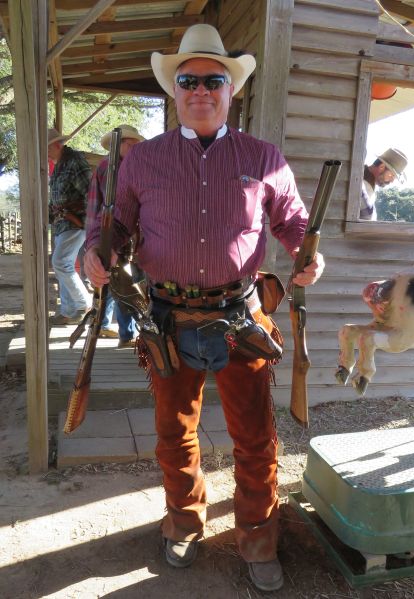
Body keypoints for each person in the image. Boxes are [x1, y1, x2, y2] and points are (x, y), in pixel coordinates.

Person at [84, 24, 324, 592]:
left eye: (212, 80)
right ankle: (185, 522)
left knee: (255, 438)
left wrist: (309, 256)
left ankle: (258, 536)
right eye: (188, 80)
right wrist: (95, 255)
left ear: (230, 89)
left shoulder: (263, 157)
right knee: (174, 434)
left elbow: (294, 222)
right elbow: (113, 227)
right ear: (174, 89)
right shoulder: (142, 161)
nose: (200, 90)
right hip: (166, 320)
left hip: (241, 317)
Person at [86, 124, 145, 347]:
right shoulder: (108, 168)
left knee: (118, 281)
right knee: (122, 283)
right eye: (131, 144)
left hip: (123, 236)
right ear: (120, 144)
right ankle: (126, 334)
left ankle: (114, 328)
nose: (135, 148)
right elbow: (103, 208)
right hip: (112, 235)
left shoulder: (126, 167)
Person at [48, 128, 92, 325]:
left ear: (57, 145)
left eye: (47, 148)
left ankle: (84, 304)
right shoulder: (59, 165)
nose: (46, 153)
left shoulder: (75, 161)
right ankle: (68, 311)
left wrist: (87, 221)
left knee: (61, 262)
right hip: (62, 223)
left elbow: (91, 194)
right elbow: (56, 197)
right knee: (62, 266)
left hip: (75, 222)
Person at [360, 147, 408, 220]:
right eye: (391, 175)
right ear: (381, 167)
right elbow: (368, 219)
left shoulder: (366, 182)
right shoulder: (362, 184)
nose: (392, 181)